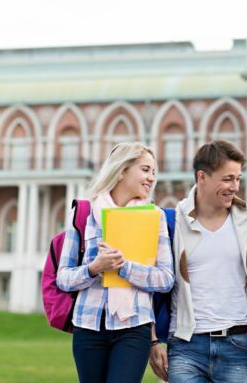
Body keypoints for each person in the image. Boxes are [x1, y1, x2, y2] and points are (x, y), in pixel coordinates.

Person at [148, 140, 247, 383]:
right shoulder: (173, 222)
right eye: (227, 179)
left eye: (238, 179)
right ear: (202, 176)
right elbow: (149, 287)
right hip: (185, 346)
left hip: (237, 344)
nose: (234, 187)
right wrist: (152, 340)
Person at [55, 142, 174, 383]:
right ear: (122, 171)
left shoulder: (155, 217)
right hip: (88, 327)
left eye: (154, 172)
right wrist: (93, 268)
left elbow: (165, 279)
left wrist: (124, 268)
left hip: (134, 328)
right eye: (145, 170)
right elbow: (63, 278)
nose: (151, 178)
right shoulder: (83, 213)